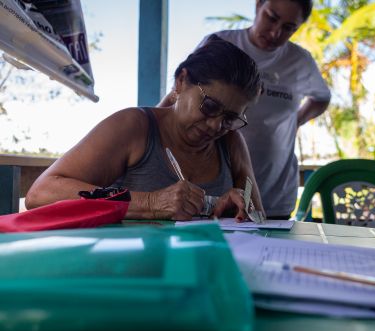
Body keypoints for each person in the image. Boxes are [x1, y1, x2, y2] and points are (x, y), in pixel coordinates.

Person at [25, 36, 264, 221]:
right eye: (209, 106)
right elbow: (42, 193)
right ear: (181, 82)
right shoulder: (134, 127)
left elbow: (257, 219)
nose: (216, 125)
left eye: (231, 118)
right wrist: (150, 202)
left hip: (200, 275)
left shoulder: (230, 142)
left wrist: (230, 208)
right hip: (127, 274)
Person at [160, 0, 331, 219]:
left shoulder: (300, 60)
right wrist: (149, 126)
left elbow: (321, 98)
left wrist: (297, 120)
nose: (276, 32)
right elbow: (182, 91)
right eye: (272, 17)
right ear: (259, 5)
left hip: (274, 187)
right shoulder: (221, 42)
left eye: (289, 28)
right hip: (216, 190)